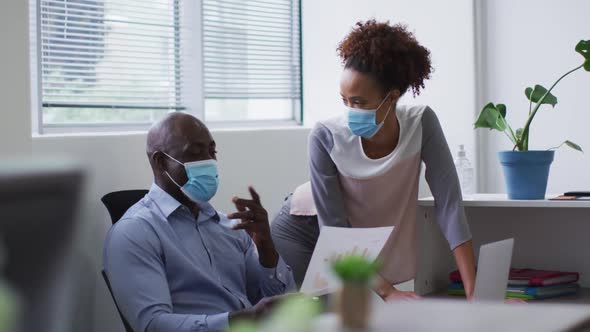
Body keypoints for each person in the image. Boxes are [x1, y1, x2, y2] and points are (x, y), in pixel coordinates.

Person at [272, 20, 476, 300]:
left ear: (391, 98)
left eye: (358, 102)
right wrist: (387, 291)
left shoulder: (421, 123)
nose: (349, 110)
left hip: (354, 236)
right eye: (344, 100)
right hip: (306, 229)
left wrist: (476, 293)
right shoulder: (326, 136)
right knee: (332, 318)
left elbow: (450, 205)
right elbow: (335, 231)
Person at [103, 112, 295, 332]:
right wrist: (241, 320)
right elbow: (152, 325)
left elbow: (278, 304)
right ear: (160, 161)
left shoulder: (229, 226)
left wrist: (265, 246)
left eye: (212, 152)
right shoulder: (135, 232)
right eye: (195, 152)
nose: (209, 161)